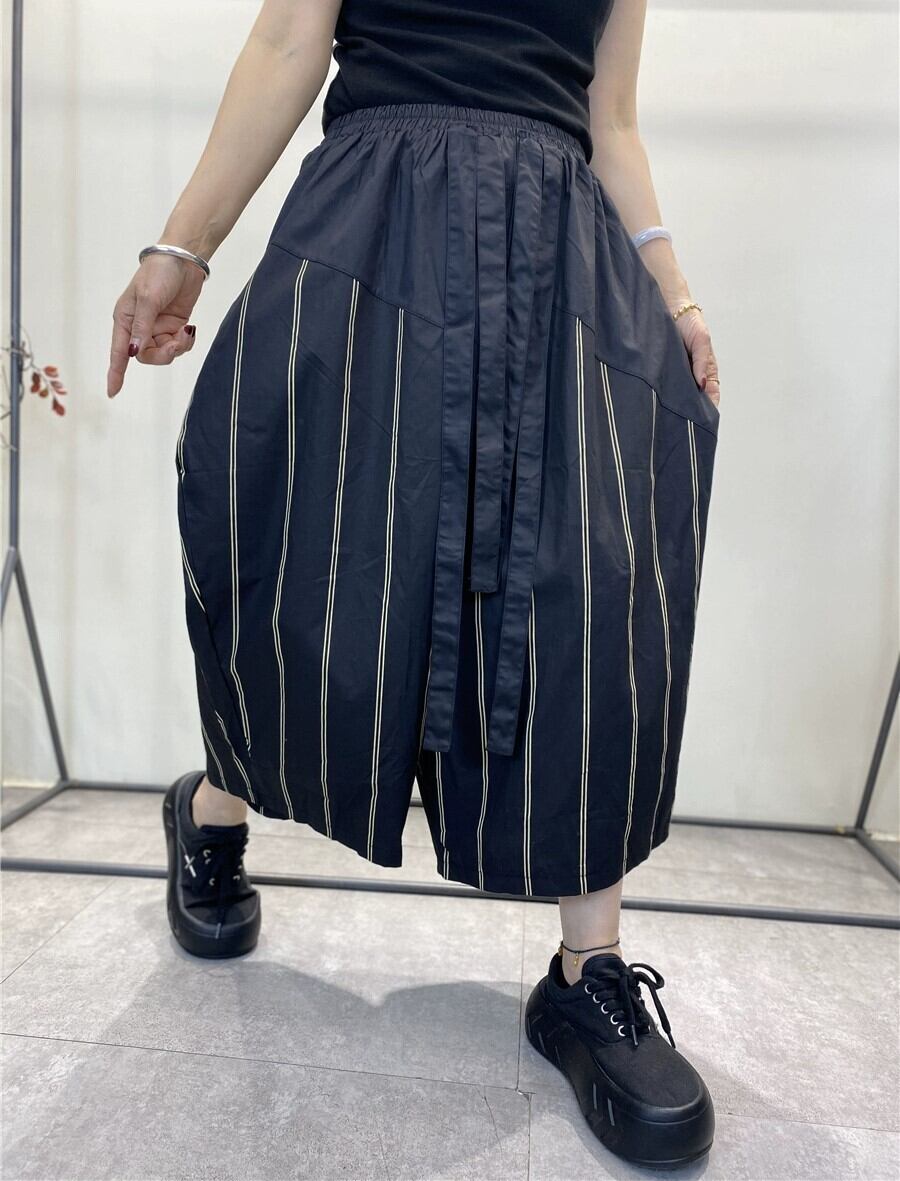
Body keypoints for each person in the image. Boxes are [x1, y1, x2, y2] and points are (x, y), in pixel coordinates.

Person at [107, 0, 721, 1168]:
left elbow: (611, 117)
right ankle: (215, 804)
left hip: (557, 242)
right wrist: (180, 249)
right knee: (317, 561)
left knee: (582, 583)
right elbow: (287, 43)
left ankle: (587, 972)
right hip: (377, 220)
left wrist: (677, 296)